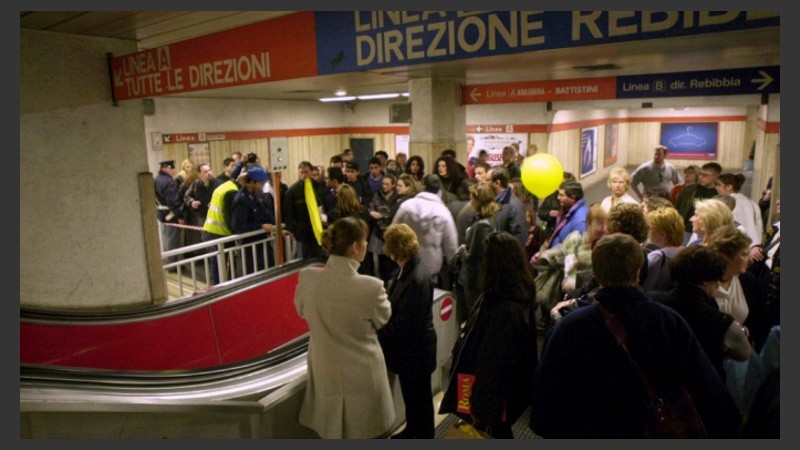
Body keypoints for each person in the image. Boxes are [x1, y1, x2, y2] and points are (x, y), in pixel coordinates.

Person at [531, 233, 741, 438]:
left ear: (596, 272)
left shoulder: (570, 326)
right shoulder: (668, 322)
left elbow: (546, 397)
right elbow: (705, 386)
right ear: (637, 273)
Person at [294, 217, 395, 439]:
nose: (367, 245)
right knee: (366, 429)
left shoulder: (308, 277)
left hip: (325, 368)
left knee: (330, 429)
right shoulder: (371, 287)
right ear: (355, 247)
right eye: (365, 241)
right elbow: (383, 318)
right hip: (363, 373)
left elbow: (301, 311)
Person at [439, 232, 538, 439]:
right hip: (503, 391)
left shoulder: (504, 306)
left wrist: (480, 402)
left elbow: (494, 360)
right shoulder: (514, 293)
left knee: (493, 431)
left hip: (490, 394)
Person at [649, 245, 751, 381]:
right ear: (705, 280)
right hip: (698, 390)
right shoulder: (720, 322)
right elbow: (744, 353)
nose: (717, 285)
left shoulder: (651, 300)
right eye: (716, 279)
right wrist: (743, 330)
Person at [378, 223, 437, 439]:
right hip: (413, 352)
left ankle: (423, 435)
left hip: (416, 352)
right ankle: (413, 430)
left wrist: (379, 331)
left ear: (394, 249)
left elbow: (407, 324)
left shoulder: (416, 278)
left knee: (419, 400)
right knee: (413, 399)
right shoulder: (408, 269)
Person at [391, 174, 458, 286]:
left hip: (407, 263)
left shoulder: (406, 206)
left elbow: (392, 233)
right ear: (438, 190)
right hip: (431, 268)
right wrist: (452, 264)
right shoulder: (443, 212)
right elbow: (451, 245)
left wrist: (395, 256)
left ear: (423, 187)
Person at [455, 184, 499, 322]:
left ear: (478, 201)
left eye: (472, 199)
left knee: (473, 314)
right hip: (478, 276)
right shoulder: (488, 219)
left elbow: (472, 257)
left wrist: (462, 250)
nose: (469, 202)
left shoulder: (482, 225)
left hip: (474, 278)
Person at [230, 167, 276, 272]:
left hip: (261, 243)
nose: (262, 187)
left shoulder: (254, 195)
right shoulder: (241, 199)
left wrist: (275, 226)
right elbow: (238, 226)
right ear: (251, 182)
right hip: (250, 247)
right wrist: (260, 226)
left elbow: (264, 214)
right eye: (260, 184)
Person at [283, 161, 322, 259]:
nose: (304, 175)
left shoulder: (318, 186)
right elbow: (289, 213)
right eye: (301, 172)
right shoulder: (292, 191)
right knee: (303, 258)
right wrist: (293, 230)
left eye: (306, 172)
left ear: (311, 172)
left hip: (318, 229)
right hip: (302, 231)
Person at [675, 161, 722, 244]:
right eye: (700, 174)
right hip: (687, 230)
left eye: (705, 175)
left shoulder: (719, 193)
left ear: (716, 177)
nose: (700, 177)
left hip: (709, 232)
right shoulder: (689, 190)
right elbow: (678, 209)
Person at [641, 206, 685, 293]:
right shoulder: (685, 253)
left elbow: (645, 287)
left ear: (662, 234)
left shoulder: (657, 256)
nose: (649, 231)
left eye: (651, 228)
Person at [716, 172, 763, 248]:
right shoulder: (751, 201)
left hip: (739, 246)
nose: (716, 188)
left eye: (719, 185)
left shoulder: (733, 203)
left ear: (729, 187)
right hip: (753, 245)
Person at [367, 173, 399, 285]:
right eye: (383, 183)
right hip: (378, 232)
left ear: (393, 185)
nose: (384, 186)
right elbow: (371, 209)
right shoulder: (377, 195)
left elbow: (393, 214)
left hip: (392, 232)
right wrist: (380, 216)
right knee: (380, 262)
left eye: (387, 184)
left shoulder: (397, 198)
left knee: (392, 261)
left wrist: (382, 216)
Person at [154, 160, 186, 267]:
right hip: (171, 213)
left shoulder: (156, 180)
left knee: (166, 238)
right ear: (165, 168)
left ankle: (169, 261)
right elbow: (173, 202)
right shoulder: (169, 182)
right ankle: (172, 265)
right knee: (173, 239)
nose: (174, 170)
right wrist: (180, 216)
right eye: (171, 168)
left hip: (161, 212)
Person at [540, 181, 588, 250]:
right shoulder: (567, 209)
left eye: (561, 195)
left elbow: (575, 251)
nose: (558, 197)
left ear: (572, 198)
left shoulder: (580, 221)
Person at [488, 167, 529, 246]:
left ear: (497, 183)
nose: (484, 183)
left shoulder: (514, 205)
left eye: (487, 180)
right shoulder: (492, 202)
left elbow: (519, 238)